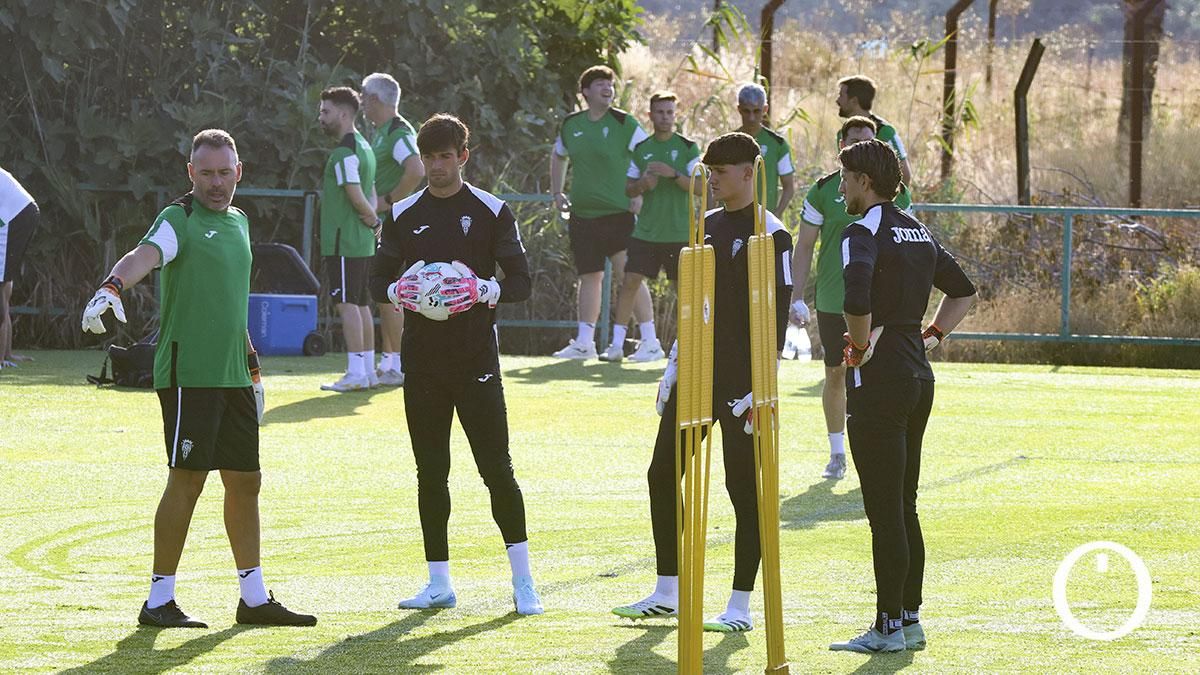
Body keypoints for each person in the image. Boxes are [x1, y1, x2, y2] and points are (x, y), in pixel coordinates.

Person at [79, 129, 315, 628]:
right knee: (186, 480)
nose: (215, 182)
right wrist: (113, 285)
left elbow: (228, 300)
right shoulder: (178, 218)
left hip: (233, 375)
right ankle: (158, 600)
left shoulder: (240, 221)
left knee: (246, 481)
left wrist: (250, 361)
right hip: (190, 375)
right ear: (191, 173)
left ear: (238, 172)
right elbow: (143, 255)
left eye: (224, 173)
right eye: (205, 173)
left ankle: (252, 600)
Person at [612, 132, 793, 633]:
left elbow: (774, 314)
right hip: (698, 371)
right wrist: (673, 360)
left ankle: (739, 605)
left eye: (721, 170)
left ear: (748, 173)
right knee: (662, 473)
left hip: (744, 381)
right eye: (708, 170)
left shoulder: (772, 232)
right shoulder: (706, 224)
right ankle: (667, 591)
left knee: (742, 486)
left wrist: (765, 382)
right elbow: (692, 302)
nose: (712, 179)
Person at [369, 114, 543, 615]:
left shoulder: (491, 210)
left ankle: (523, 579)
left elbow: (522, 282)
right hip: (423, 362)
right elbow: (375, 280)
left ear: (463, 156)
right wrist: (396, 291)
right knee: (431, 472)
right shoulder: (402, 213)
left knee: (497, 469)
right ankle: (438, 583)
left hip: (475, 362)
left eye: (447, 157)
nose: (438, 167)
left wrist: (485, 289)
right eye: (430, 158)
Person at [828, 138, 975, 653]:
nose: (841, 186)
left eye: (845, 177)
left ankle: (888, 626)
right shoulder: (916, 228)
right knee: (905, 504)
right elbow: (964, 290)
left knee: (884, 510)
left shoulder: (861, 229)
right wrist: (931, 336)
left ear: (865, 181)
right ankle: (909, 619)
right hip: (918, 377)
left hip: (882, 380)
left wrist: (861, 345)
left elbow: (855, 294)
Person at [789, 116, 914, 480]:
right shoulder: (824, 189)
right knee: (835, 373)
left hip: (880, 301)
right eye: (853, 140)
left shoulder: (895, 193)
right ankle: (837, 451)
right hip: (834, 299)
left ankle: (881, 451)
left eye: (868, 140)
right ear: (840, 144)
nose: (859, 145)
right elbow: (805, 244)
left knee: (880, 376)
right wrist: (797, 295)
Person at [550, 65, 654, 360]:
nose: (608, 88)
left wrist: (640, 193)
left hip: (619, 213)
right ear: (585, 92)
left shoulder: (625, 123)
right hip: (583, 215)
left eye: (610, 83)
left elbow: (649, 154)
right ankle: (585, 343)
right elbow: (558, 156)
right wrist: (556, 192)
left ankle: (649, 340)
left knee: (628, 275)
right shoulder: (571, 125)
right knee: (589, 276)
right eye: (600, 84)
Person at [598, 91, 700, 363]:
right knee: (629, 282)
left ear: (675, 114)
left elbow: (700, 187)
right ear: (650, 115)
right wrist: (643, 184)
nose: (665, 117)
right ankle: (616, 346)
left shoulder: (688, 147)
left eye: (669, 112)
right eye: (660, 112)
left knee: (683, 290)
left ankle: (687, 347)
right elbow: (629, 190)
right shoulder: (642, 149)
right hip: (646, 232)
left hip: (679, 232)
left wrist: (674, 174)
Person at [362, 72, 425, 386]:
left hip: (395, 223)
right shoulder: (381, 132)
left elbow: (416, 169)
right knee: (385, 292)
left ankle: (400, 363)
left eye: (364, 97)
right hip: (385, 224)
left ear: (374, 99)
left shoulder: (397, 132)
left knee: (392, 292)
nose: (361, 103)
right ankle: (390, 360)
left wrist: (388, 202)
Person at [317, 86, 380, 391]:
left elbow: (356, 195)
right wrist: (372, 220)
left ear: (343, 114)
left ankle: (356, 373)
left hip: (344, 241)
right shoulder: (365, 147)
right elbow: (372, 192)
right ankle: (366, 371)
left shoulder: (344, 152)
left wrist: (372, 219)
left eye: (325, 111)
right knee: (361, 303)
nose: (321, 117)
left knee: (346, 303)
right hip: (361, 240)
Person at [835, 75, 913, 186]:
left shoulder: (885, 131)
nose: (837, 100)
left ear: (854, 101)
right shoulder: (841, 134)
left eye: (841, 95)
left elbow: (905, 176)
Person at [734, 83, 795, 217]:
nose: (751, 117)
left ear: (765, 109)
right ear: (739, 109)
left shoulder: (777, 144)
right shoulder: (728, 142)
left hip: (763, 222)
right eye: (746, 111)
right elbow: (712, 185)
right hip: (731, 220)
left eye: (756, 111)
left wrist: (776, 215)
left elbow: (789, 187)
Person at [0, 166, 39, 369]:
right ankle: (6, 353)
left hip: (13, 217)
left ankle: (1, 359)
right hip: (18, 214)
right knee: (4, 285)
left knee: (0, 285)